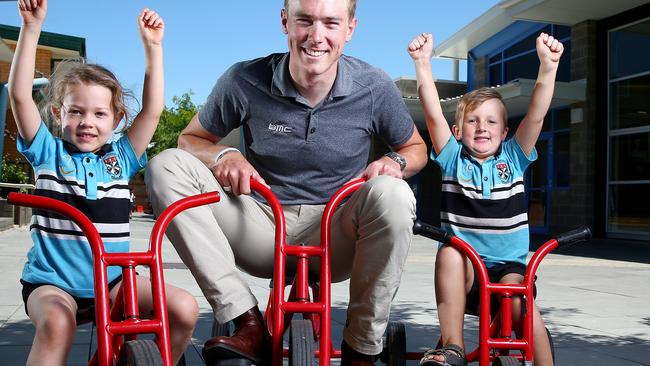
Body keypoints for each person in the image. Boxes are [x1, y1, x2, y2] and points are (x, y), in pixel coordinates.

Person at [145, 0, 427, 364]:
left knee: (394, 192)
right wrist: (224, 155)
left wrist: (395, 159)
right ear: (285, 22)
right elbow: (189, 140)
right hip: (263, 224)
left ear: (350, 29)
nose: (317, 36)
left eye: (330, 23)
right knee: (164, 166)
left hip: (335, 230)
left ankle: (361, 348)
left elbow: (415, 148)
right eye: (305, 20)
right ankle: (245, 319)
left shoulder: (374, 85)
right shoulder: (244, 79)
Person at [7, 1, 198, 365]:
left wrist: (153, 48)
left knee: (184, 309)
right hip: (52, 284)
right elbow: (19, 96)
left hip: (111, 283)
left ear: (116, 119)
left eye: (99, 114)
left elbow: (153, 109)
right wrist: (30, 28)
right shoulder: (48, 152)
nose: (86, 122)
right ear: (58, 113)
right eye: (75, 111)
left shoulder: (120, 159)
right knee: (58, 324)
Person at [407, 32, 564, 366]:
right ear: (459, 130)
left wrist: (547, 69)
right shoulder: (452, 157)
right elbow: (433, 113)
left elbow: (535, 115)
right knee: (450, 251)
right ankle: (453, 349)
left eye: (492, 121)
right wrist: (423, 65)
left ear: (505, 132)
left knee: (520, 298)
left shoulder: (515, 157)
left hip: (508, 270)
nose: (482, 127)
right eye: (473, 120)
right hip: (466, 271)